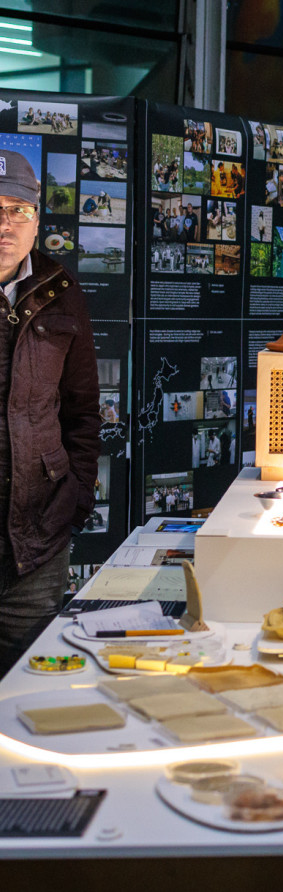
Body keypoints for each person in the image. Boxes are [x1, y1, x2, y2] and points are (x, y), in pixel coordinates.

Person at [0, 151, 99, 677]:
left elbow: (83, 412)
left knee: (32, 691)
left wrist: (76, 498)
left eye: (18, 209)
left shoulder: (62, 292)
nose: (5, 224)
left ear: (37, 220)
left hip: (35, 547)